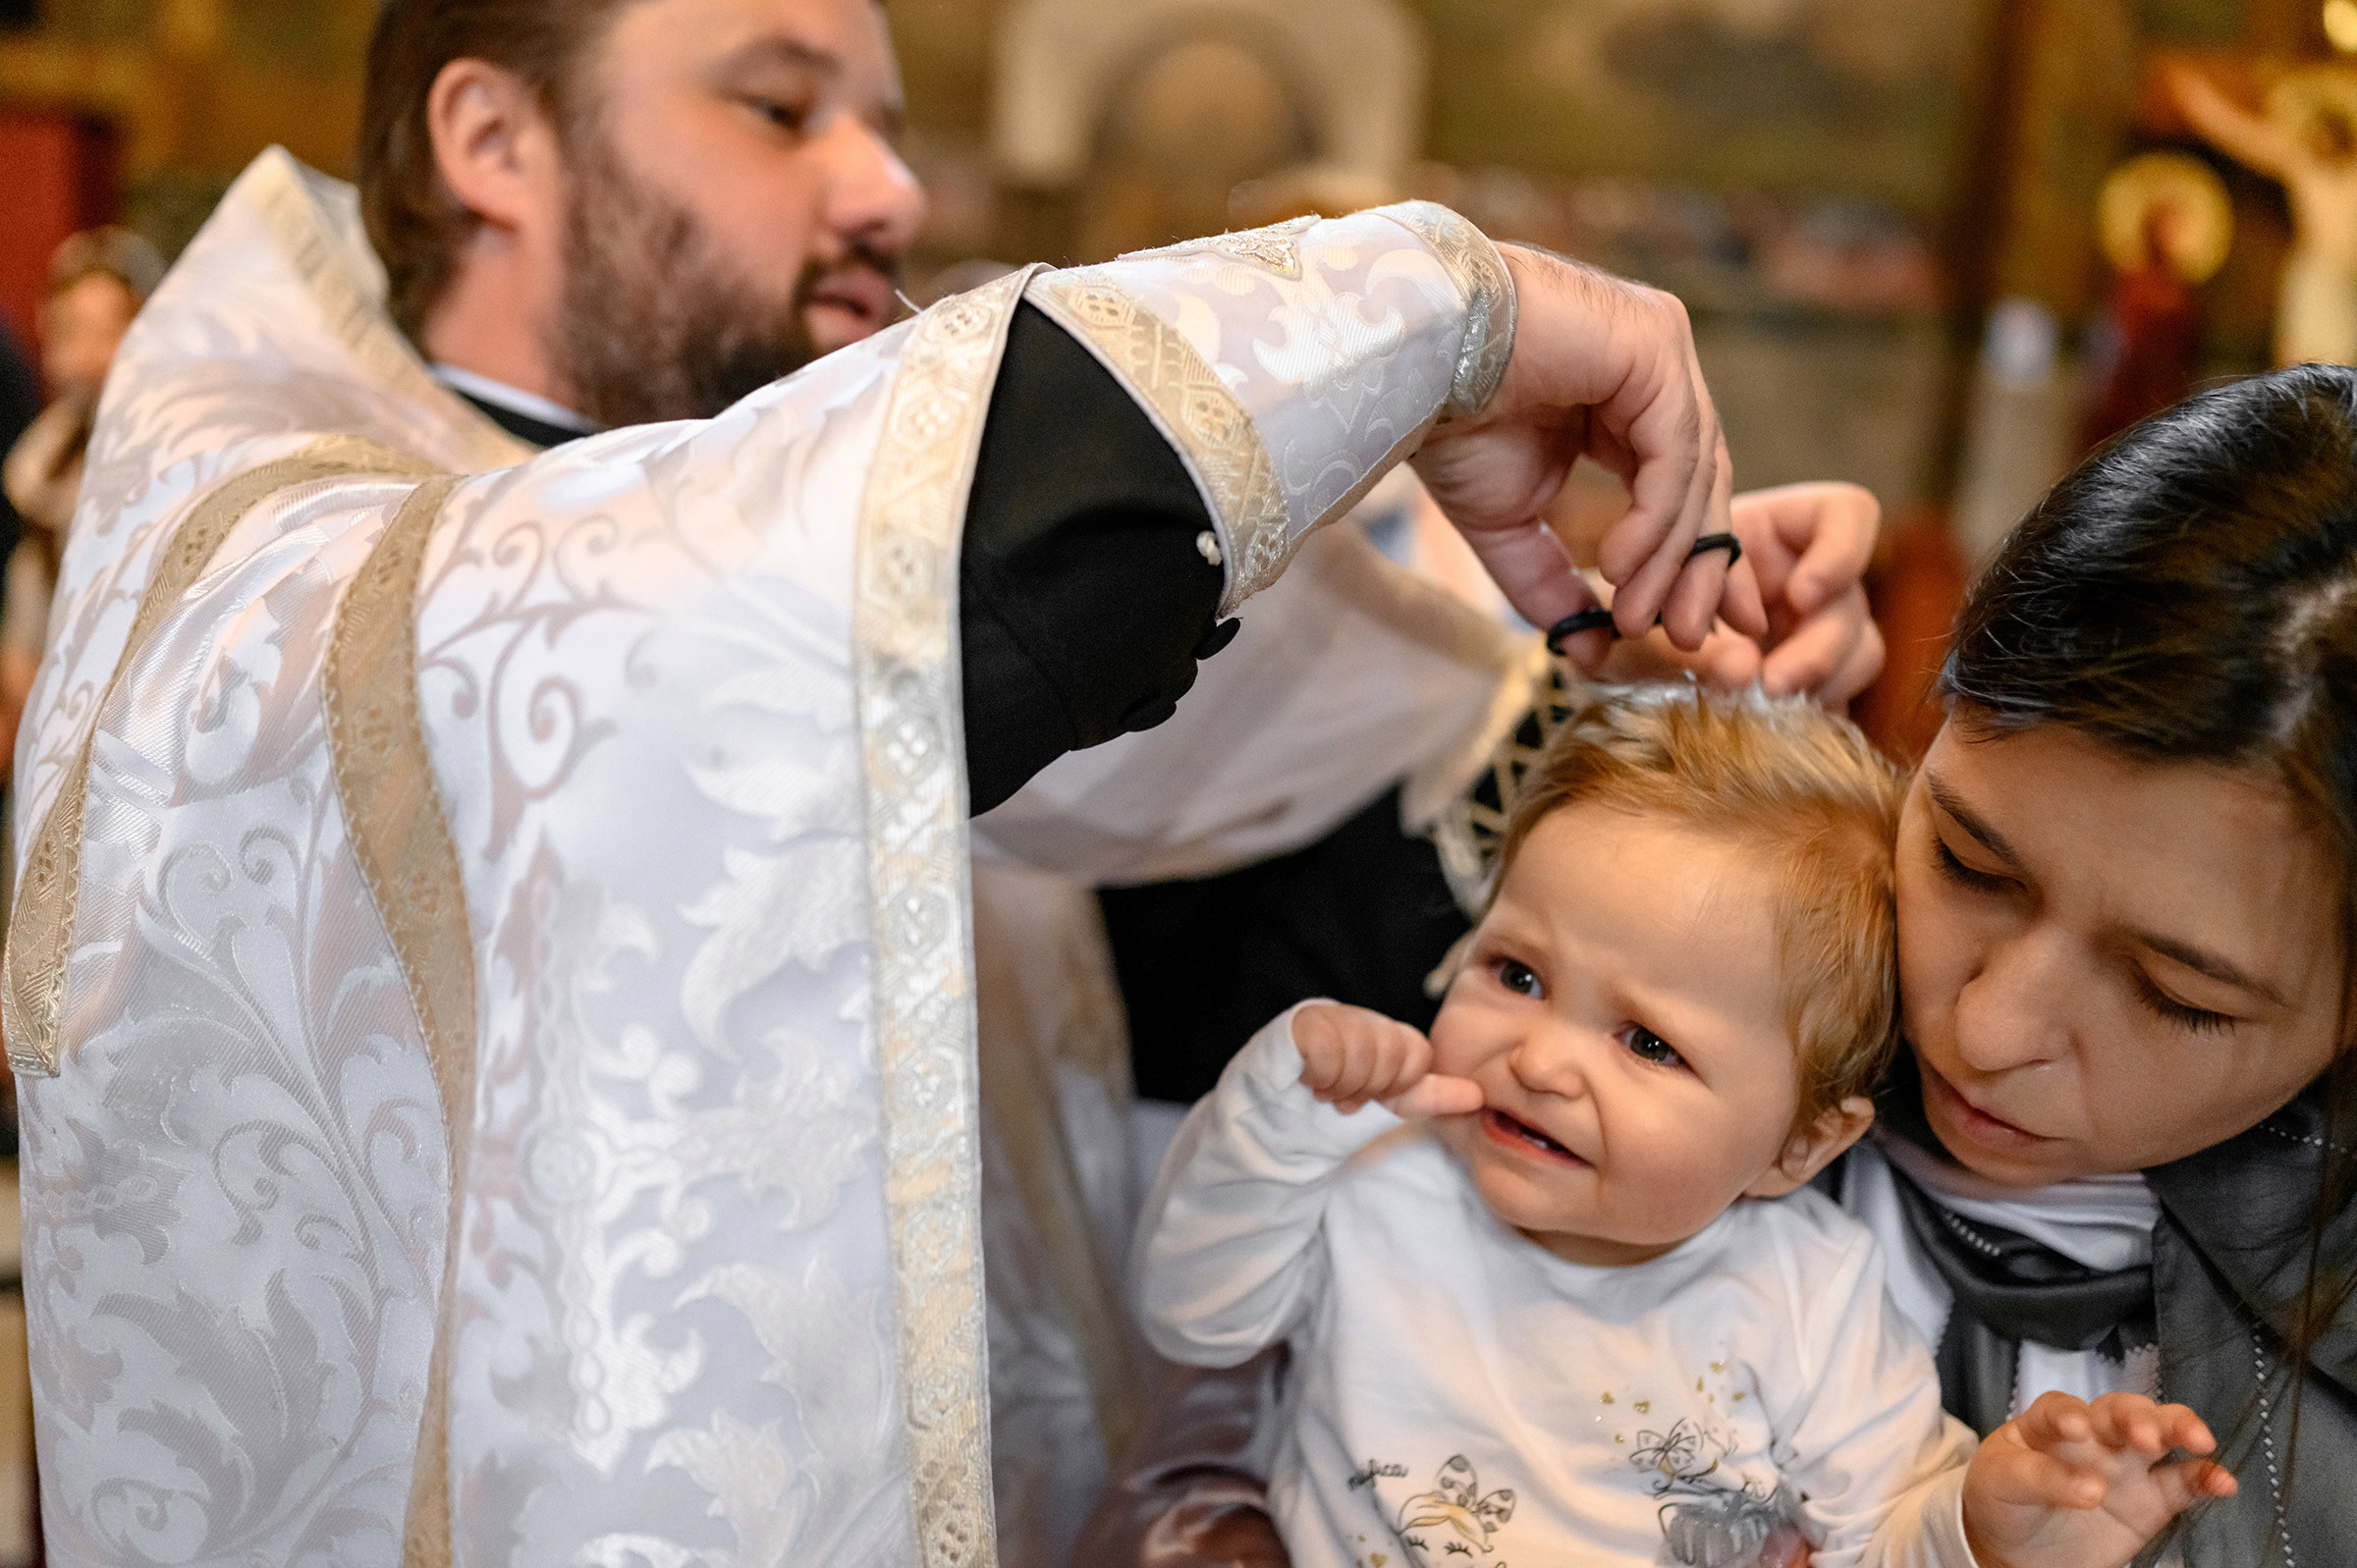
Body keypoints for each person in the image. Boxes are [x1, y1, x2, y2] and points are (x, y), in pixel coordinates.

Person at [0, 0, 1883, 1563]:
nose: (889, 188)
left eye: (888, 126)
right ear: (492, 139)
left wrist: (1648, 670)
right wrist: (1441, 315)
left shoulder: (781, 488)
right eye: (781, 106)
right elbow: (686, 620)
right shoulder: (309, 548)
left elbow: (1232, 755)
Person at [1085, 363, 2357, 1568]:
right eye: (1970, 861)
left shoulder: (1814, 1303)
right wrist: (1622, 707)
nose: (1983, 1029)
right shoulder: (1578, 1060)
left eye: (2175, 993)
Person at [1133, 686, 2229, 1568]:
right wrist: (1278, 1117)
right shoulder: (1380, 1175)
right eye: (1516, 973)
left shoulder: (1808, 1299)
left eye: (1649, 1043)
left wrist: (1983, 1534)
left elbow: (1879, 1537)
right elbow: (1194, 1318)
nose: (1540, 1060)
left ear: (1800, 1145)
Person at [0, 228, 164, 779]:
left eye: (107, 333)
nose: (85, 360)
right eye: (70, 334)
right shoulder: (40, 468)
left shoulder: (167, 465)